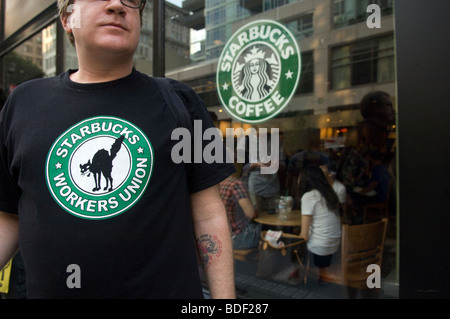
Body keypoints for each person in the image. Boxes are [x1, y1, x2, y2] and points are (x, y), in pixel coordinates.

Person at [0, 0, 236, 299]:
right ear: (67, 18)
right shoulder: (23, 103)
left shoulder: (181, 102)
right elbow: (8, 215)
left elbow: (208, 214)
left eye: (132, 0)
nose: (117, 5)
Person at [297, 165, 341, 282]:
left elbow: (304, 235)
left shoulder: (309, 196)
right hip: (335, 246)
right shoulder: (329, 193)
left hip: (320, 251)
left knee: (289, 248)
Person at [219, 175, 261, 249]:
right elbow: (251, 213)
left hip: (221, 235)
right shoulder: (235, 184)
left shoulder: (216, 183)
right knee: (258, 226)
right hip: (237, 237)